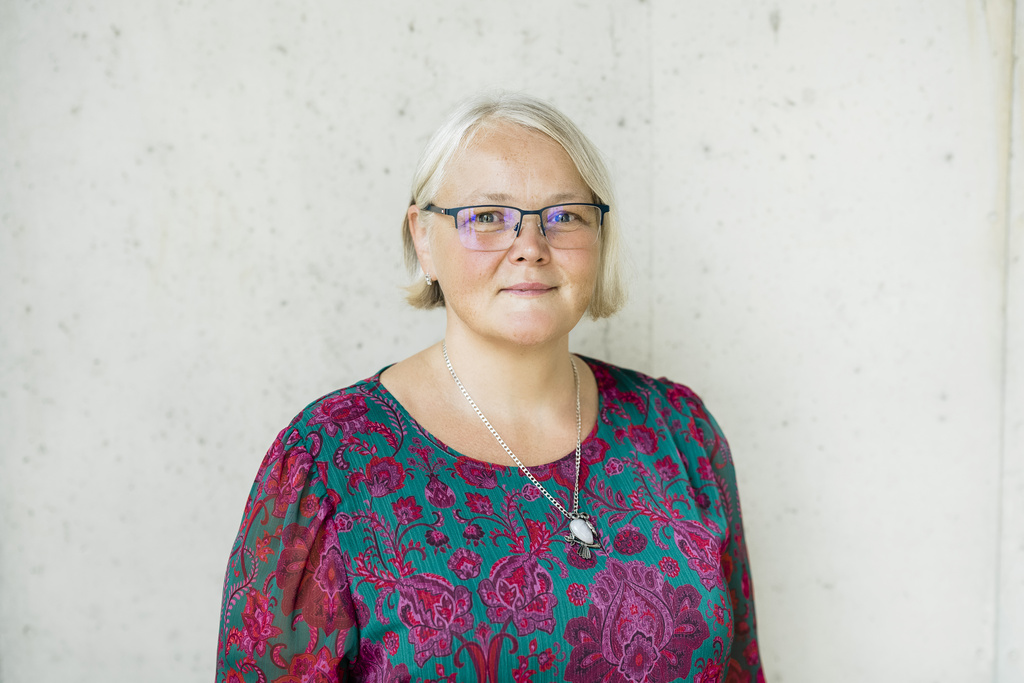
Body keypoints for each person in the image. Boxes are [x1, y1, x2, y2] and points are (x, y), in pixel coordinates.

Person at [216, 92, 765, 683]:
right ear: (423, 239)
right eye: (486, 217)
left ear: (600, 236)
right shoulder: (328, 459)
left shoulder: (679, 430)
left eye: (565, 216)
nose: (531, 247)